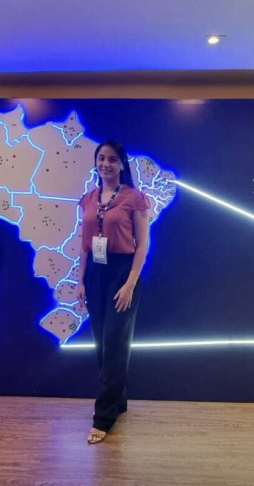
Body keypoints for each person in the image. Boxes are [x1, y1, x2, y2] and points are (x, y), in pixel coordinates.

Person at [76, 140, 151, 444]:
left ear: (122, 164)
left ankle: (103, 418)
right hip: (95, 273)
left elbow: (142, 245)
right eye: (101, 158)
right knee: (102, 346)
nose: (105, 164)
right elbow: (84, 244)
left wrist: (130, 283)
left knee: (116, 344)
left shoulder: (135, 198)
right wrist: (81, 280)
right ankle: (118, 401)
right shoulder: (89, 198)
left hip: (122, 274)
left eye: (112, 159)